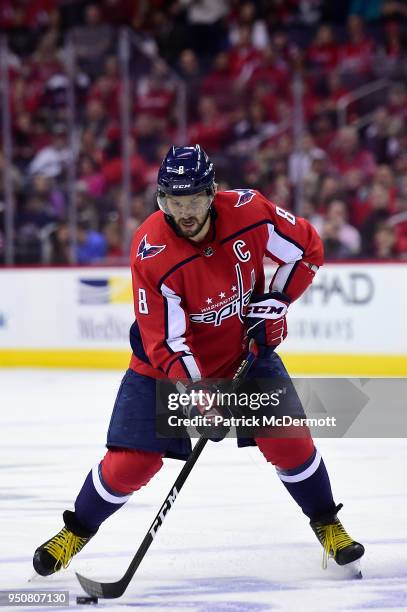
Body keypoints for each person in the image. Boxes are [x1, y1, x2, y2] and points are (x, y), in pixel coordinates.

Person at [33, 145, 364, 577]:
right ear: (161, 200)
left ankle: (327, 524)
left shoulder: (251, 212)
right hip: (162, 367)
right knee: (131, 463)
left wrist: (275, 303)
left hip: (244, 353)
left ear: (213, 194)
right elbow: (167, 342)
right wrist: (200, 394)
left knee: (290, 440)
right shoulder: (152, 251)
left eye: (193, 200)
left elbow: (307, 249)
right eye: (174, 201)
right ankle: (75, 531)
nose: (184, 212)